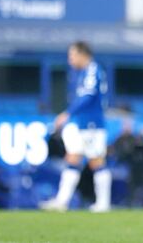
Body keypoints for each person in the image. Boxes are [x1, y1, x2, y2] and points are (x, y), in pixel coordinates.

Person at [39, 41, 111, 212]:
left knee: (96, 161)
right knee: (72, 159)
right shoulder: (82, 73)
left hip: (91, 124)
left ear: (82, 54)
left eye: (72, 55)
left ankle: (103, 203)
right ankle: (62, 201)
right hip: (82, 123)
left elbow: (88, 96)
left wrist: (67, 113)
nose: (70, 59)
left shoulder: (93, 70)